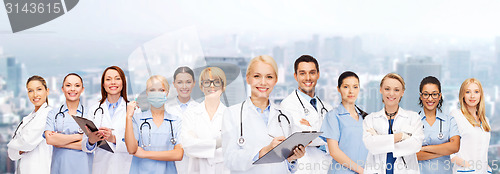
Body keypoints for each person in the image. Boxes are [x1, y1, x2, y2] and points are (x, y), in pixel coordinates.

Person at [222, 55, 306, 173]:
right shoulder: (232, 114)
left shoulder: (285, 116)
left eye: (269, 77)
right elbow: (229, 159)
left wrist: (292, 159)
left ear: (275, 80)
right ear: (248, 78)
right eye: (257, 76)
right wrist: (264, 151)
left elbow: (288, 168)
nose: (263, 82)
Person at [280, 55, 333, 173]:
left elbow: (339, 139)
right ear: (296, 76)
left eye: (312, 73)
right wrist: (329, 136)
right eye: (302, 73)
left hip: (326, 168)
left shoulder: (327, 108)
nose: (308, 78)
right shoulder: (288, 105)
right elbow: (303, 136)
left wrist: (314, 131)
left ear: (318, 75)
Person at [362, 73, 424, 174]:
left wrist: (379, 139)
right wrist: (401, 136)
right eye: (387, 89)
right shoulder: (370, 119)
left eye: (396, 90)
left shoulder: (413, 118)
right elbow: (371, 146)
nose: (391, 94)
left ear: (402, 92)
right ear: (381, 90)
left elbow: (415, 145)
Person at [125, 75, 183, 174]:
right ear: (147, 93)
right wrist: (128, 117)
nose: (157, 93)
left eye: (161, 90)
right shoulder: (137, 119)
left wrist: (145, 154)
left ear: (167, 93)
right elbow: (131, 149)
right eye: (152, 90)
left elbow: (178, 154)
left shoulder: (175, 121)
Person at [82, 66, 133, 174]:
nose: (113, 82)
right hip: (101, 168)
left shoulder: (133, 109)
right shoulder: (94, 109)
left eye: (117, 79)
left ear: (123, 83)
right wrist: (91, 140)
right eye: (108, 79)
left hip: (125, 167)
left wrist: (113, 139)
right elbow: (85, 146)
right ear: (103, 84)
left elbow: (136, 145)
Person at [181, 67, 229, 174]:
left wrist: (200, 147)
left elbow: (231, 150)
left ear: (223, 86)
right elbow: (188, 146)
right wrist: (217, 144)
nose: (212, 86)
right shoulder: (191, 114)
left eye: (216, 82)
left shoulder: (231, 116)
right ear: (201, 87)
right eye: (207, 82)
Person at [320, 71, 368, 174]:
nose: (351, 91)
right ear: (339, 89)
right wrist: (361, 171)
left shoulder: (365, 118)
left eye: (355, 87)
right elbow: (334, 151)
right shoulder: (333, 116)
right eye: (346, 87)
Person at [44, 73, 93, 174]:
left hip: (84, 169)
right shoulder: (53, 114)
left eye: (77, 85)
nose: (72, 89)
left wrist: (60, 142)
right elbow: (50, 139)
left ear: (82, 89)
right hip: (60, 168)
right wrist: (80, 137)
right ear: (62, 89)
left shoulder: (90, 114)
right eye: (68, 85)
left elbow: (91, 145)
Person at [8, 75, 53, 174]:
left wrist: (13, 145)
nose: (35, 94)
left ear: (47, 91)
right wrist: (18, 148)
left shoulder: (48, 115)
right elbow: (11, 154)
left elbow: (27, 143)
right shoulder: (28, 118)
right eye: (30, 90)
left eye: (39, 89)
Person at [416, 76, 460, 174]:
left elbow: (455, 147)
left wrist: (424, 149)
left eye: (434, 94)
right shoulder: (412, 121)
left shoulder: (449, 121)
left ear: (439, 96)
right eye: (426, 94)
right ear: (421, 96)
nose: (430, 98)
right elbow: (412, 154)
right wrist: (444, 150)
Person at [449, 78, 492, 174]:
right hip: (465, 171)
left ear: (481, 95)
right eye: (468, 92)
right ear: (462, 95)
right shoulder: (456, 115)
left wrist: (487, 168)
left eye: (476, 92)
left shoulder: (485, 120)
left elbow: (483, 150)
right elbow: (448, 149)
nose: (472, 96)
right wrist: (465, 164)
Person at [165, 66, 199, 174]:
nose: (184, 86)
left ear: (194, 83)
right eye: (180, 82)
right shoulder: (166, 109)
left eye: (188, 82)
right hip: (170, 163)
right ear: (174, 84)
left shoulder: (201, 109)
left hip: (194, 163)